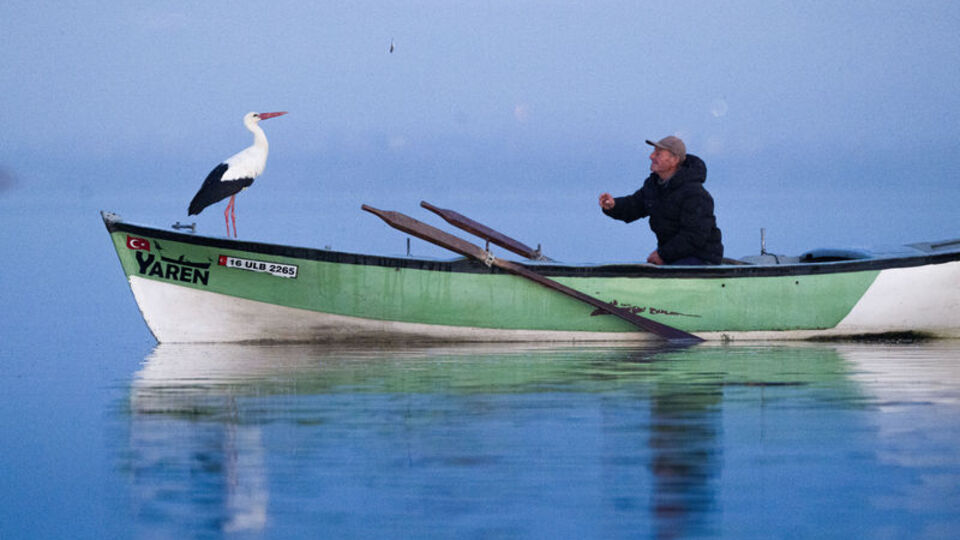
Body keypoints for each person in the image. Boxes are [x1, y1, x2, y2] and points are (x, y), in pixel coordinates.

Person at [599, 136, 723, 265]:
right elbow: (634, 205)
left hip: (701, 258)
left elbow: (695, 236)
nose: (651, 156)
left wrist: (663, 255)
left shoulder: (695, 194)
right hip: (674, 254)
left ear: (674, 160)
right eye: (653, 152)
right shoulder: (654, 186)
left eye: (658, 153)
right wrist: (613, 205)